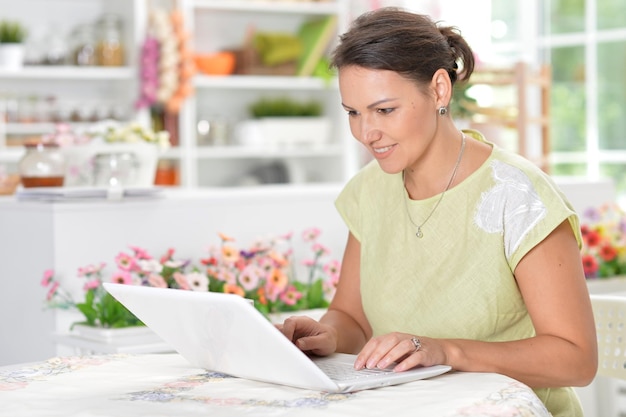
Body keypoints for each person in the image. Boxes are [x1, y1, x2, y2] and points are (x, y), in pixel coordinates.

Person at [278, 7, 597, 417]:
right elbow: (352, 318)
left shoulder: (518, 197)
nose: (365, 133)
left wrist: (446, 351)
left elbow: (576, 358)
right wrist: (327, 334)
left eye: (385, 110)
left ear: (440, 90)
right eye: (353, 113)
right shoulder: (368, 190)